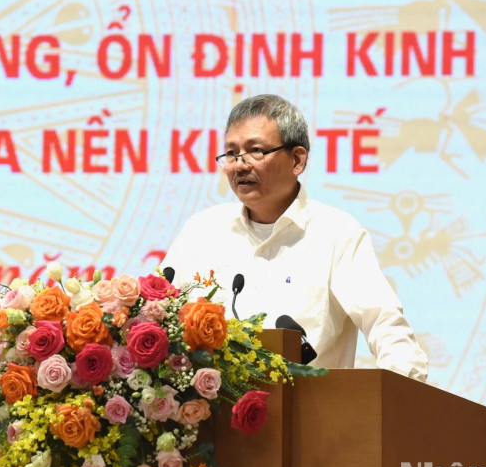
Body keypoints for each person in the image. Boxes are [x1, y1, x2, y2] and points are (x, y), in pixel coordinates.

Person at [162, 94, 428, 381]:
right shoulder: (202, 230)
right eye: (231, 153)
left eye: (255, 151)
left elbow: (384, 323)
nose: (239, 165)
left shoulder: (337, 234)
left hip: (313, 408)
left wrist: (402, 390)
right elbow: (157, 316)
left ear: (297, 160)